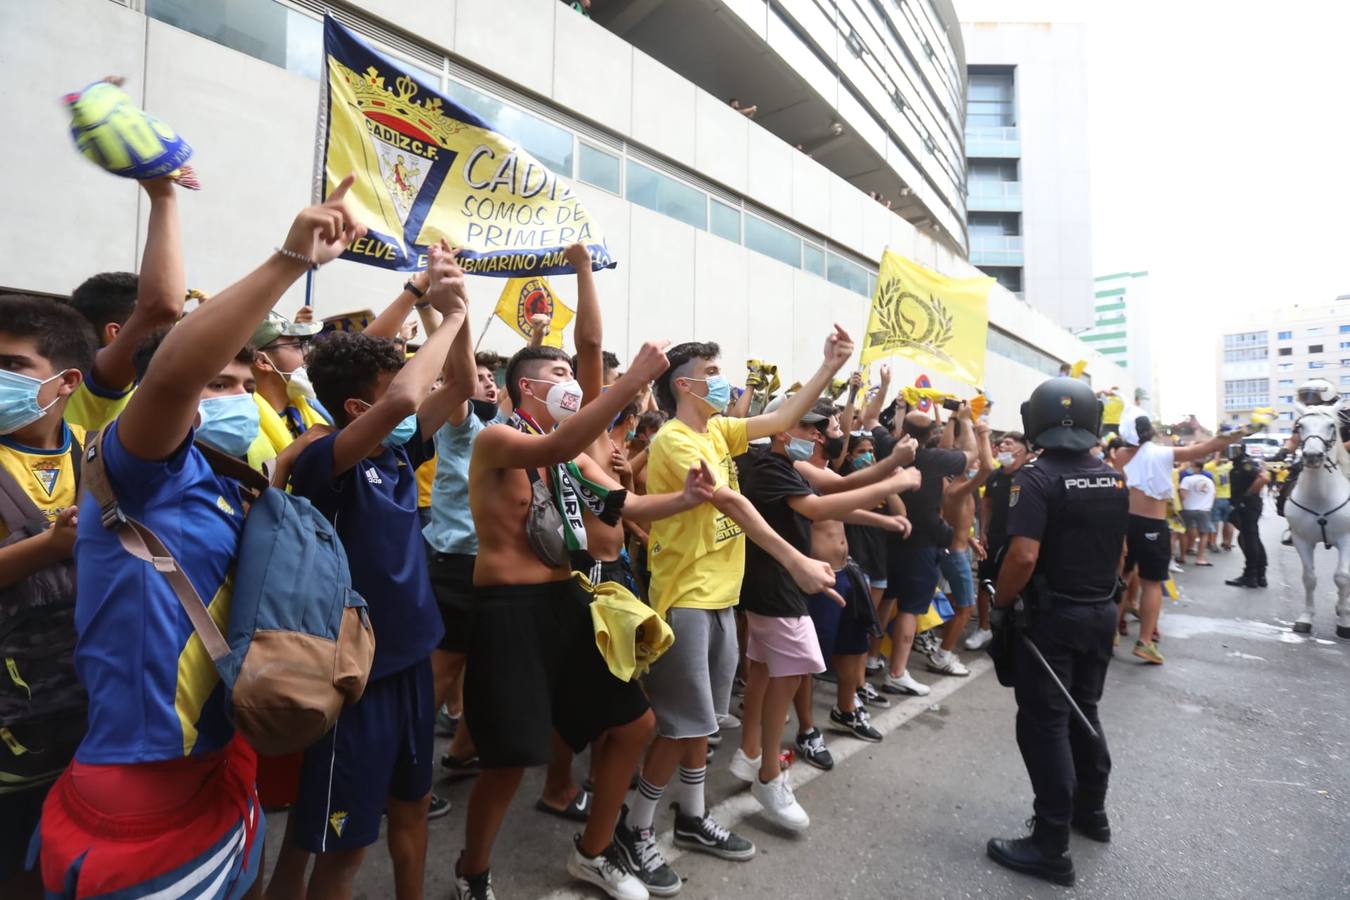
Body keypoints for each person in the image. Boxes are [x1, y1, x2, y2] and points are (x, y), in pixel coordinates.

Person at [38, 179, 366, 899]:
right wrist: (287, 258)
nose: (236, 397)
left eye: (243, 382)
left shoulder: (226, 482)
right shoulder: (133, 469)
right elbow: (172, 367)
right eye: (215, 383)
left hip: (223, 761)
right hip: (140, 785)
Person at [454, 336, 695, 900]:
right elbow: (558, 442)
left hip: (569, 599)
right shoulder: (498, 438)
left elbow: (626, 505)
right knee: (509, 760)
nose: (573, 380)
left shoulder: (572, 454)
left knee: (636, 723)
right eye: (560, 372)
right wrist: (632, 381)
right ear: (529, 388)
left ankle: (593, 851)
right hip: (508, 612)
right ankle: (472, 871)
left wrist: (687, 499)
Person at [618, 334, 845, 895]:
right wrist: (795, 560)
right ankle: (634, 828)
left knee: (705, 723)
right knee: (680, 725)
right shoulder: (674, 439)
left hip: (722, 596)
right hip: (688, 598)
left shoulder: (716, 429)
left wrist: (829, 365)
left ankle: (691, 816)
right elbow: (731, 503)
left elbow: (785, 416)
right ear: (685, 385)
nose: (724, 380)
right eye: (712, 371)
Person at [730, 398, 914, 824]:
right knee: (795, 667)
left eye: (820, 427)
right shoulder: (771, 465)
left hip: (773, 580)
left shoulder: (773, 461)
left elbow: (835, 493)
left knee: (762, 668)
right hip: (779, 583)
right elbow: (819, 507)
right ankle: (768, 775)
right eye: (809, 427)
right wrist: (894, 480)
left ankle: (749, 751)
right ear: (780, 428)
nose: (817, 434)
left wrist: (885, 511)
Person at [985, 377, 1129, 888]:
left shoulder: (1036, 478)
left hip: (1053, 619)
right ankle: (1091, 813)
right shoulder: (1113, 478)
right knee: (1083, 711)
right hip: (1100, 612)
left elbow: (1023, 555)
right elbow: (1119, 553)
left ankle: (1050, 845)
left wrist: (1000, 607)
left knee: (1044, 723)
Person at [0, 296, 98, 900]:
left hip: (90, 713)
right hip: (10, 724)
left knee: (69, 860)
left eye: (13, 364)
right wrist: (48, 547)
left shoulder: (96, 449)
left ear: (66, 381)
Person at [1114, 411, 1239, 664]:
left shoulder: (1120, 456)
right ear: (1148, 430)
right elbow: (1210, 446)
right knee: (1151, 584)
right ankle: (1145, 642)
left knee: (1120, 579)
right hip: (1152, 525)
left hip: (1124, 524)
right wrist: (1240, 432)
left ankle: (1111, 633)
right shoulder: (1162, 453)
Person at [873, 405, 977, 695]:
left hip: (890, 535)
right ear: (931, 434)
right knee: (909, 608)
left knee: (886, 599)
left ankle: (871, 657)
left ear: (904, 430)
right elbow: (972, 455)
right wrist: (965, 422)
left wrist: (898, 403)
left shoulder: (890, 446)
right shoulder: (934, 459)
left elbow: (871, 419)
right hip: (920, 545)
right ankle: (897, 672)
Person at [933, 414, 995, 670]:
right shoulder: (958, 489)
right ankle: (943, 655)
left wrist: (970, 540)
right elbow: (989, 468)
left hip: (954, 547)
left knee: (955, 601)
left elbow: (955, 521)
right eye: (971, 459)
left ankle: (941, 646)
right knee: (966, 608)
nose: (976, 461)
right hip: (953, 555)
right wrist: (982, 435)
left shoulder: (953, 486)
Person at [967, 432, 1032, 650]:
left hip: (1020, 540)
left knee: (1017, 583)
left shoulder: (1030, 477)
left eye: (1009, 443)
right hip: (994, 537)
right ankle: (984, 628)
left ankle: (1012, 630)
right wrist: (983, 530)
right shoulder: (995, 475)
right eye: (1001, 443)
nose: (1002, 446)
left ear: (1022, 450)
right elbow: (987, 504)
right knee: (986, 582)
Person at [1224, 442, 1269, 589]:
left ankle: (1251, 575)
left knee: (1248, 539)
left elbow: (1264, 478)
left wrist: (1247, 495)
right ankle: (1260, 575)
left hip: (1248, 505)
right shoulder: (1241, 463)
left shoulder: (1245, 463)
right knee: (1251, 537)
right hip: (1245, 505)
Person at [1178, 461, 1216, 566]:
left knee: (1183, 532)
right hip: (1204, 510)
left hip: (1188, 509)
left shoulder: (1186, 479)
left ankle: (1182, 557)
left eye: (1191, 466)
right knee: (1204, 534)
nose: (1189, 468)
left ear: (1196, 467)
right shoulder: (1209, 481)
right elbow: (1213, 495)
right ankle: (1200, 558)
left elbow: (1183, 495)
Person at [1205, 451, 1235, 552]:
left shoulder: (1210, 468)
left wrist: (1217, 452)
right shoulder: (1228, 468)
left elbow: (1213, 461)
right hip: (1228, 497)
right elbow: (1232, 462)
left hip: (1216, 498)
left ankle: (1213, 542)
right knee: (1229, 522)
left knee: (1214, 522)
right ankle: (1228, 542)